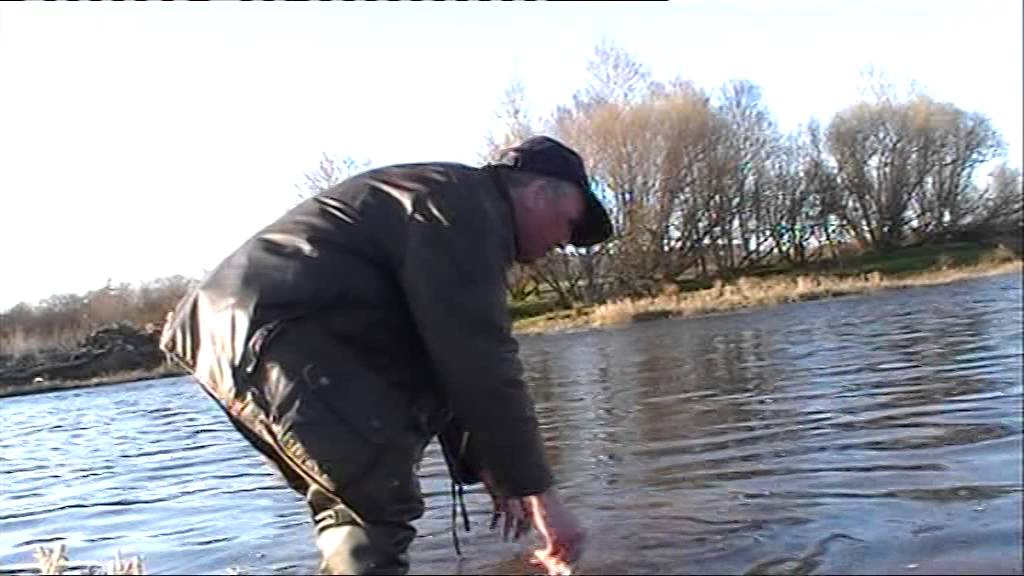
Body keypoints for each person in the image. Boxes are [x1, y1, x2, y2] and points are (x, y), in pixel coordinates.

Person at [159, 136, 614, 575]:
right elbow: (482, 363)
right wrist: (543, 497)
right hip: (275, 333)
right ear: (537, 193)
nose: (567, 241)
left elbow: (445, 357)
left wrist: (499, 471)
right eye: (571, 224)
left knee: (354, 500)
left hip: (244, 331)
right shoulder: (467, 213)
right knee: (374, 500)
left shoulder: (454, 201)